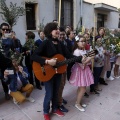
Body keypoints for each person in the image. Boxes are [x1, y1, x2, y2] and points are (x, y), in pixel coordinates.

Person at [31, 22, 95, 120]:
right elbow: (34, 56)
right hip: (47, 72)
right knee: (49, 94)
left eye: (58, 29)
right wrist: (47, 61)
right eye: (55, 29)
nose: (58, 30)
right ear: (50, 31)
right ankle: (45, 111)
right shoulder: (46, 43)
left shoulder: (60, 44)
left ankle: (55, 108)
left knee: (56, 92)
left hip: (58, 72)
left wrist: (80, 58)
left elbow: (69, 56)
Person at [69, 36, 94, 112]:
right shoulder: (76, 52)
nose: (83, 43)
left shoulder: (83, 50)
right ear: (77, 42)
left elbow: (86, 61)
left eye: (84, 41)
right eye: (81, 41)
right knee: (83, 89)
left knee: (81, 88)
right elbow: (82, 64)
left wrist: (89, 57)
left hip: (84, 71)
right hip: (80, 71)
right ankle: (77, 104)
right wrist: (90, 58)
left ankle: (78, 101)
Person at [0, 22, 14, 100]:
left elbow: (14, 49)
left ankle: (12, 90)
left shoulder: (10, 39)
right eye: (3, 29)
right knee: (3, 77)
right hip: (2, 62)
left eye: (7, 29)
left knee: (11, 74)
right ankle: (6, 92)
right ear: (0, 30)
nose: (5, 30)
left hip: (10, 61)